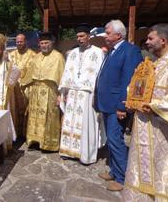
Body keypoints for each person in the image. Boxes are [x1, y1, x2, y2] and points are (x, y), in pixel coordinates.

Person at [122, 24, 168, 201]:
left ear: (163, 40)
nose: (147, 42)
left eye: (151, 39)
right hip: (144, 125)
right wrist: (131, 100)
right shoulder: (154, 63)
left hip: (166, 132)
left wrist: (152, 106)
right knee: (142, 168)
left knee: (164, 171)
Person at [94, 20, 143, 191]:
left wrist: (123, 106)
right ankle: (115, 172)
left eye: (107, 33)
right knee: (112, 140)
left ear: (118, 35)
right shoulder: (113, 51)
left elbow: (129, 81)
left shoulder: (130, 51)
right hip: (107, 104)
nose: (105, 36)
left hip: (117, 106)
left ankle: (122, 179)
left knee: (116, 140)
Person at [58, 24, 106, 164]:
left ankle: (86, 154)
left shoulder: (98, 52)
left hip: (87, 94)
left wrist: (97, 94)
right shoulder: (72, 53)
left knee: (86, 124)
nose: (79, 39)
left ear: (89, 36)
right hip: (72, 94)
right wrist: (64, 92)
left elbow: (100, 75)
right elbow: (67, 72)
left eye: (82, 36)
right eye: (78, 36)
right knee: (70, 123)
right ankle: (69, 151)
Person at [24, 32, 65, 151]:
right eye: (42, 43)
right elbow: (28, 76)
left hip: (50, 92)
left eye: (46, 42)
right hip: (36, 92)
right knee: (35, 118)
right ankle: (35, 140)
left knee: (49, 118)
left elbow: (63, 78)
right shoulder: (36, 57)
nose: (44, 45)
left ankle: (48, 144)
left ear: (51, 43)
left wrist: (61, 95)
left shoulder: (58, 57)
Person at [8, 33, 35, 137]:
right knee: (14, 110)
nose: (19, 43)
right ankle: (15, 133)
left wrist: (24, 82)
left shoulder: (33, 55)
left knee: (26, 111)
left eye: (21, 41)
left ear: (25, 42)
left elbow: (33, 72)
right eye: (17, 42)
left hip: (27, 87)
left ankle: (26, 133)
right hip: (14, 87)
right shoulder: (11, 55)